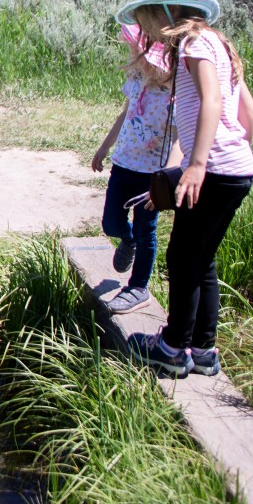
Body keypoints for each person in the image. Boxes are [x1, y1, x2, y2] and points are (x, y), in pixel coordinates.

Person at [116, 0, 253, 377]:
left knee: (181, 258)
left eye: (145, 18)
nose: (144, 29)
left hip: (213, 170)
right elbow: (249, 116)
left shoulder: (195, 44)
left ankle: (173, 348)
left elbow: (212, 99)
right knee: (202, 260)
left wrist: (198, 164)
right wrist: (231, 150)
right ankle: (204, 349)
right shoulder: (220, 44)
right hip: (236, 170)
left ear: (166, 13)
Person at [91, 24, 179, 314]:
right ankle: (126, 240)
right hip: (124, 164)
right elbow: (125, 115)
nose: (132, 55)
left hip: (150, 174)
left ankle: (138, 285)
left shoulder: (173, 93)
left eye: (135, 50)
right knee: (111, 223)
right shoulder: (137, 81)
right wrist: (104, 147)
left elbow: (178, 135)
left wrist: (167, 175)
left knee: (147, 231)